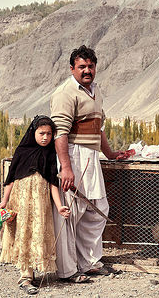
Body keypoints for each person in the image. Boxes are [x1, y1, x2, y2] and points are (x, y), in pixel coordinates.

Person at [50, 45, 126, 283]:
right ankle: (68, 270)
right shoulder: (65, 93)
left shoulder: (95, 90)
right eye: (81, 66)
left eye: (90, 66)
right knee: (70, 212)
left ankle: (90, 263)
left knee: (97, 211)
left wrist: (110, 153)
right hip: (73, 155)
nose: (87, 71)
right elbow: (59, 132)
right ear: (72, 68)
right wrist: (66, 167)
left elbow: (98, 127)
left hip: (91, 156)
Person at [0, 115, 70, 294]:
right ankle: (25, 277)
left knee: (36, 233)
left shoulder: (51, 154)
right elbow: (11, 179)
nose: (45, 137)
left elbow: (53, 183)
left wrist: (59, 206)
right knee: (23, 233)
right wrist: (4, 201)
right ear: (33, 132)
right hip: (20, 200)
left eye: (49, 134)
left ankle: (32, 272)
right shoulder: (22, 151)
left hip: (40, 204)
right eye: (42, 133)